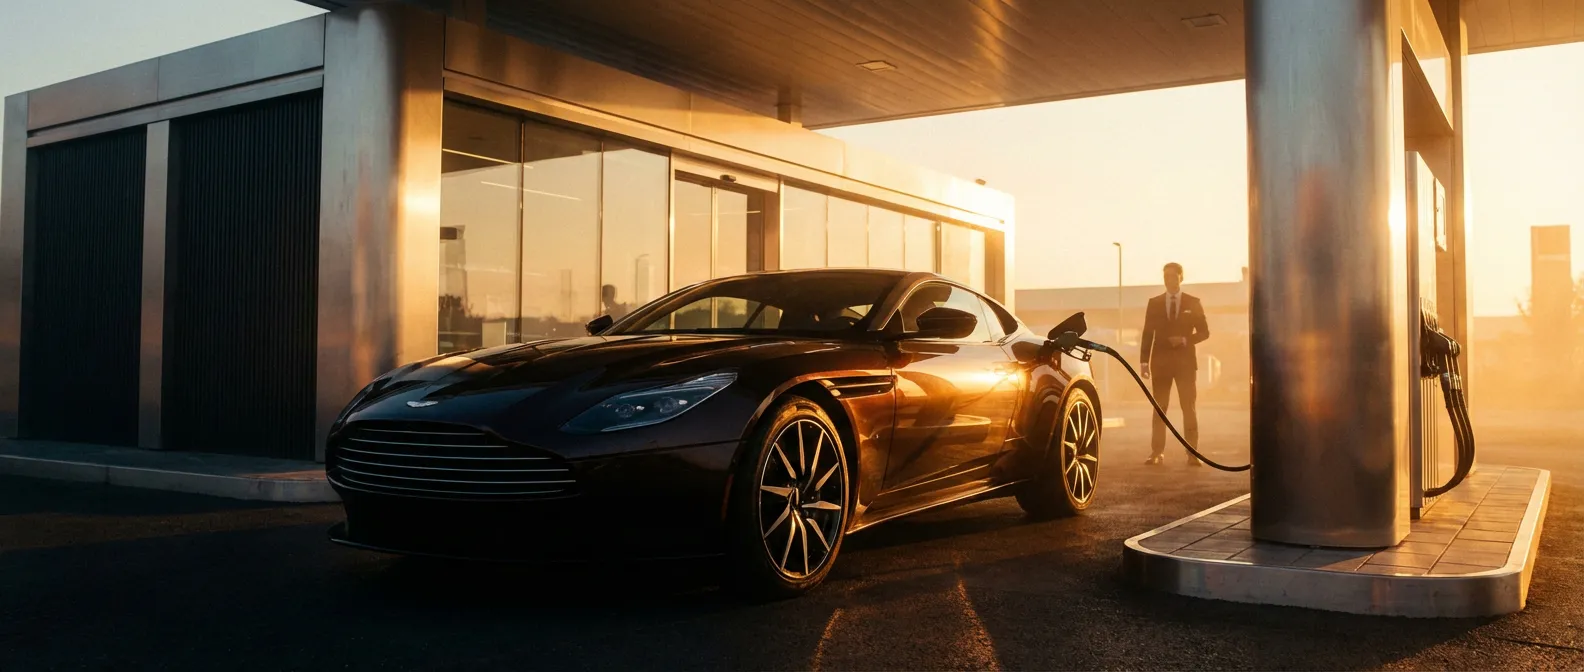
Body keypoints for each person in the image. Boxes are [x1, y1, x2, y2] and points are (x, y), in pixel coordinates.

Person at [1140, 262, 1210, 466]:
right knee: (1159, 408)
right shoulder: (1154, 303)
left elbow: (1205, 332)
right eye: (1165, 276)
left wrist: (1185, 340)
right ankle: (1156, 452)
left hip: (1185, 364)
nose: (1168, 280)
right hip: (1160, 364)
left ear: (1181, 277)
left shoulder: (1193, 302)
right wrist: (1144, 362)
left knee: (1188, 408)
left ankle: (1192, 453)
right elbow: (1147, 333)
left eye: (1172, 276)